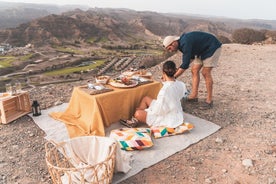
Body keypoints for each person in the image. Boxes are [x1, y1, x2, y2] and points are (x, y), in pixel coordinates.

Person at [163, 31, 222, 109]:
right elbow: (188, 60)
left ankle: (209, 101)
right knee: (194, 70)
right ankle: (194, 96)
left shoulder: (185, 43)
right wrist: (176, 71)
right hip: (201, 51)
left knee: (205, 72)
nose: (170, 51)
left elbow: (185, 65)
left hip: (212, 47)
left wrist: (172, 77)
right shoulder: (181, 45)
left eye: (169, 48)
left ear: (173, 43)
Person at [120, 60, 188, 128]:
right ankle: (135, 120)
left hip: (167, 116)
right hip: (174, 110)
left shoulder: (165, 90)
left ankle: (135, 119)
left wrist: (147, 110)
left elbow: (159, 110)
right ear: (175, 71)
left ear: (163, 72)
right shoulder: (181, 84)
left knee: (138, 114)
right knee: (145, 98)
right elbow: (180, 97)